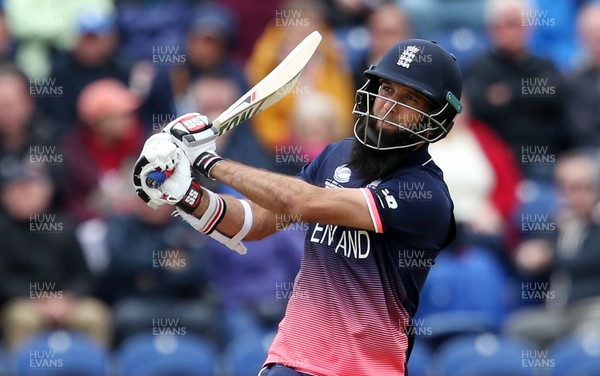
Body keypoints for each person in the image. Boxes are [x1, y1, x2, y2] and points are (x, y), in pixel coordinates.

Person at [133, 39, 462, 375]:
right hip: (290, 360)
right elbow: (257, 222)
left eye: (410, 99)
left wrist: (205, 160)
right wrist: (187, 193)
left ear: (436, 118)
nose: (389, 106)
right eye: (388, 90)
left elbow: (300, 201)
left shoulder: (426, 194)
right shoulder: (338, 155)